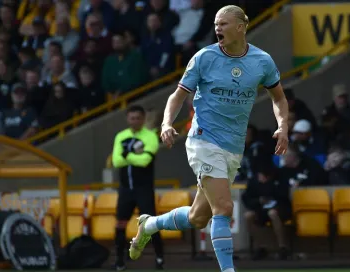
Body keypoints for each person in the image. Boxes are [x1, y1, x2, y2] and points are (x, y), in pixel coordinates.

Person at [128, 5, 289, 272]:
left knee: (198, 217)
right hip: (203, 140)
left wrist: (283, 127)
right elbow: (177, 95)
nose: (217, 28)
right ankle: (228, 270)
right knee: (224, 207)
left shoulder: (262, 61)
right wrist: (167, 122)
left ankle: (150, 224)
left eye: (223, 24)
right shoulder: (204, 57)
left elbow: (279, 98)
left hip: (233, 147)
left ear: (241, 27)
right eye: (216, 24)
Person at [111, 105, 164, 270]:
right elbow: (116, 161)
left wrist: (126, 155)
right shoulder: (121, 136)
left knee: (151, 224)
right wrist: (133, 156)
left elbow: (145, 161)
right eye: (132, 118)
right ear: (128, 119)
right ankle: (119, 261)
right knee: (120, 224)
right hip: (125, 189)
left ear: (143, 119)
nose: (135, 121)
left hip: (144, 189)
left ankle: (160, 259)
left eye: (138, 118)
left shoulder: (150, 137)